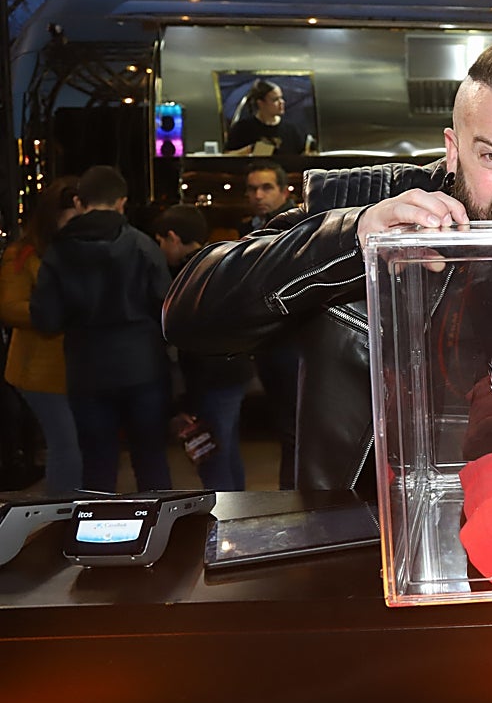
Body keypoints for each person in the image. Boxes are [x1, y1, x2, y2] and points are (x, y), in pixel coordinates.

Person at [163, 32, 492, 492]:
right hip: (381, 526)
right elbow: (190, 316)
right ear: (454, 152)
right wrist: (353, 239)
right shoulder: (371, 201)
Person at [30, 165, 174, 493]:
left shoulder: (57, 253)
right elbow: (167, 309)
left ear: (80, 201)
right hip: (144, 368)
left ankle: (96, 540)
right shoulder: (143, 245)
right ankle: (165, 537)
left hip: (87, 372)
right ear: (121, 202)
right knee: (151, 460)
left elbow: (46, 321)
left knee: (97, 466)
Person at [154, 204, 254, 491]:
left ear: (173, 237)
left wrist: (185, 397)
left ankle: (222, 518)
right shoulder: (219, 262)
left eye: (160, 241)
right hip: (234, 369)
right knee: (227, 448)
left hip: (212, 375)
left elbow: (193, 337)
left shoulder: (188, 275)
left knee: (212, 455)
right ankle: (238, 512)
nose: (160, 249)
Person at [0, 176, 83, 495]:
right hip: (37, 371)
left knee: (75, 446)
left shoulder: (81, 249)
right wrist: (56, 314)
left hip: (77, 369)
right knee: (66, 445)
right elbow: (9, 307)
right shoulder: (23, 253)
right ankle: (63, 518)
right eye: (70, 220)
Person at [236, 159, 300, 488]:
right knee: (286, 428)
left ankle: (296, 501)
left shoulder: (300, 224)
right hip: (268, 341)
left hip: (295, 339)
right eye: (252, 189)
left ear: (283, 190)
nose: (258, 194)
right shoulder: (250, 225)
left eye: (266, 188)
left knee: (297, 432)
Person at [224, 79, 305, 155]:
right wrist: (249, 150)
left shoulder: (290, 129)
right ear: (261, 103)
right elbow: (227, 156)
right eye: (275, 100)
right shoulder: (243, 128)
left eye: (281, 98)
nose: (281, 102)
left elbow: (302, 155)